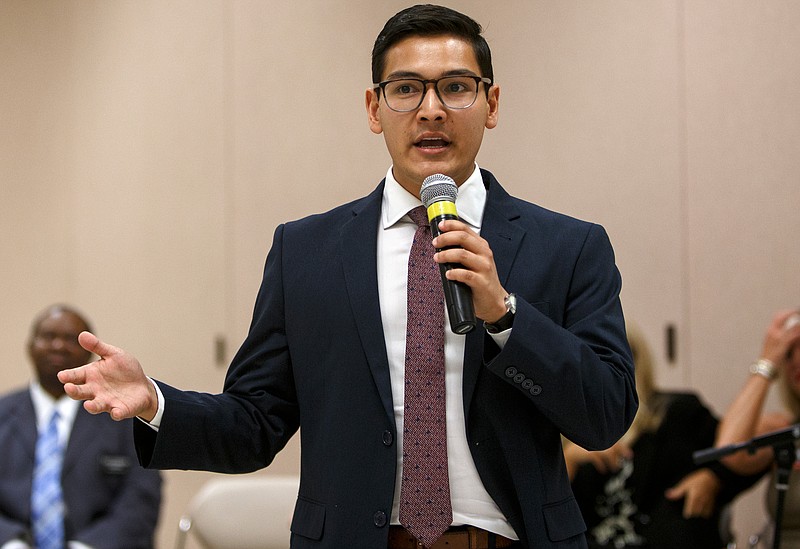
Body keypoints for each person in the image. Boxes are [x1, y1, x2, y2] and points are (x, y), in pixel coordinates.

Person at [57, 5, 638, 549]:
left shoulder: (569, 247)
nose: (431, 109)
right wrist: (155, 401)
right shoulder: (306, 252)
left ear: (492, 105)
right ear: (373, 108)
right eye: (406, 89)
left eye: (456, 87)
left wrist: (507, 316)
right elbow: (257, 422)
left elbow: (605, 416)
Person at [564, 324, 760, 548]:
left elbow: (742, 449)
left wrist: (716, 475)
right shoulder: (564, 433)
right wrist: (568, 460)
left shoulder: (678, 414)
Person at [0, 304, 162, 549]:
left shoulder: (122, 416)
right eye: (48, 337)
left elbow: (141, 498)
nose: (58, 345)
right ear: (30, 348)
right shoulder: (3, 413)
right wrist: (10, 543)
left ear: (90, 355)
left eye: (70, 339)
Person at [715, 309, 800, 548]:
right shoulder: (784, 430)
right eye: (789, 353)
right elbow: (728, 451)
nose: (796, 360)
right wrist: (767, 362)